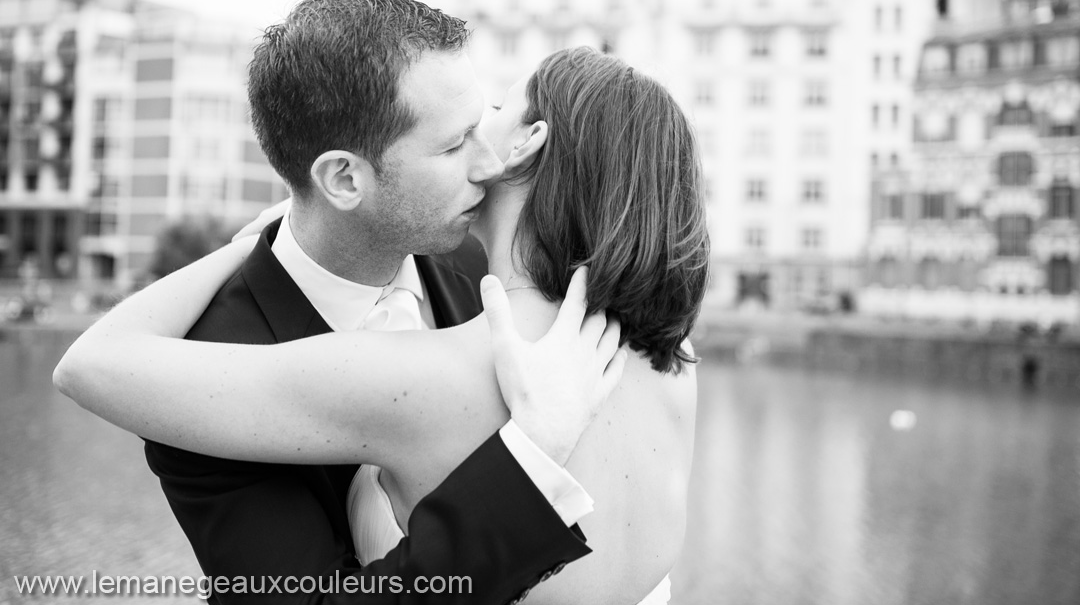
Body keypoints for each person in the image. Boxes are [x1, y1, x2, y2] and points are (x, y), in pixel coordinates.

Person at [58, 42, 710, 601]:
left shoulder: (425, 374)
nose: (474, 131)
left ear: (526, 141)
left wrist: (242, 247)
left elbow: (92, 365)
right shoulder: (672, 363)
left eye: (493, 111)